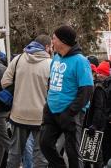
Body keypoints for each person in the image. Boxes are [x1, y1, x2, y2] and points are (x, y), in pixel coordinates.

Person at [40, 25, 94, 168]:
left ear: (63, 41)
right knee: (44, 144)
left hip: (71, 113)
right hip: (51, 111)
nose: (52, 42)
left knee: (73, 153)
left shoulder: (80, 61)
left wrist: (70, 112)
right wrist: (47, 103)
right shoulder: (56, 57)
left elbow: (87, 90)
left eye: (54, 39)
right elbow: (51, 82)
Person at [1, 35, 52, 168]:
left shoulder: (18, 59)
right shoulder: (51, 63)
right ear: (46, 47)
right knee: (40, 155)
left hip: (18, 113)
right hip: (41, 116)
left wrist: (19, 89)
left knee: (15, 153)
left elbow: (4, 82)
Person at [83, 61, 110, 168]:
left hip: (95, 126)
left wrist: (94, 125)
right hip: (90, 124)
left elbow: (99, 108)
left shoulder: (98, 88)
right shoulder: (92, 85)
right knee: (87, 155)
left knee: (95, 154)